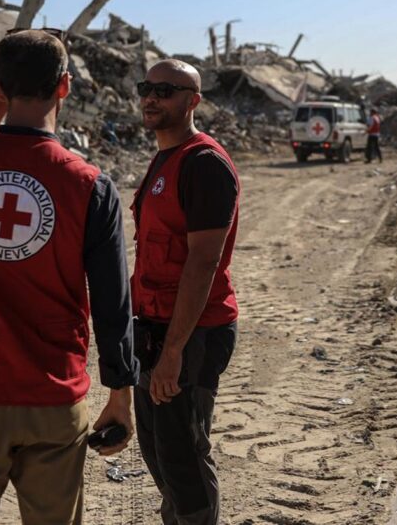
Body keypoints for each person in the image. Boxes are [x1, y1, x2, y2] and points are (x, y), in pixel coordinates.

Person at [0, 29, 139, 525]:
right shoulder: (90, 186)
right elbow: (112, 302)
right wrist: (121, 395)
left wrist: (1, 96)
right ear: (65, 87)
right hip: (53, 395)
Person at [131, 59, 239, 525]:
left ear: (193, 101)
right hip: (155, 327)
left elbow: (203, 261)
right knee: (158, 450)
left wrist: (173, 350)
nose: (152, 97)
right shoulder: (165, 157)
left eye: (167, 90)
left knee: (185, 458)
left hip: (193, 333)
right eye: (147, 88)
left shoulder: (204, 163)